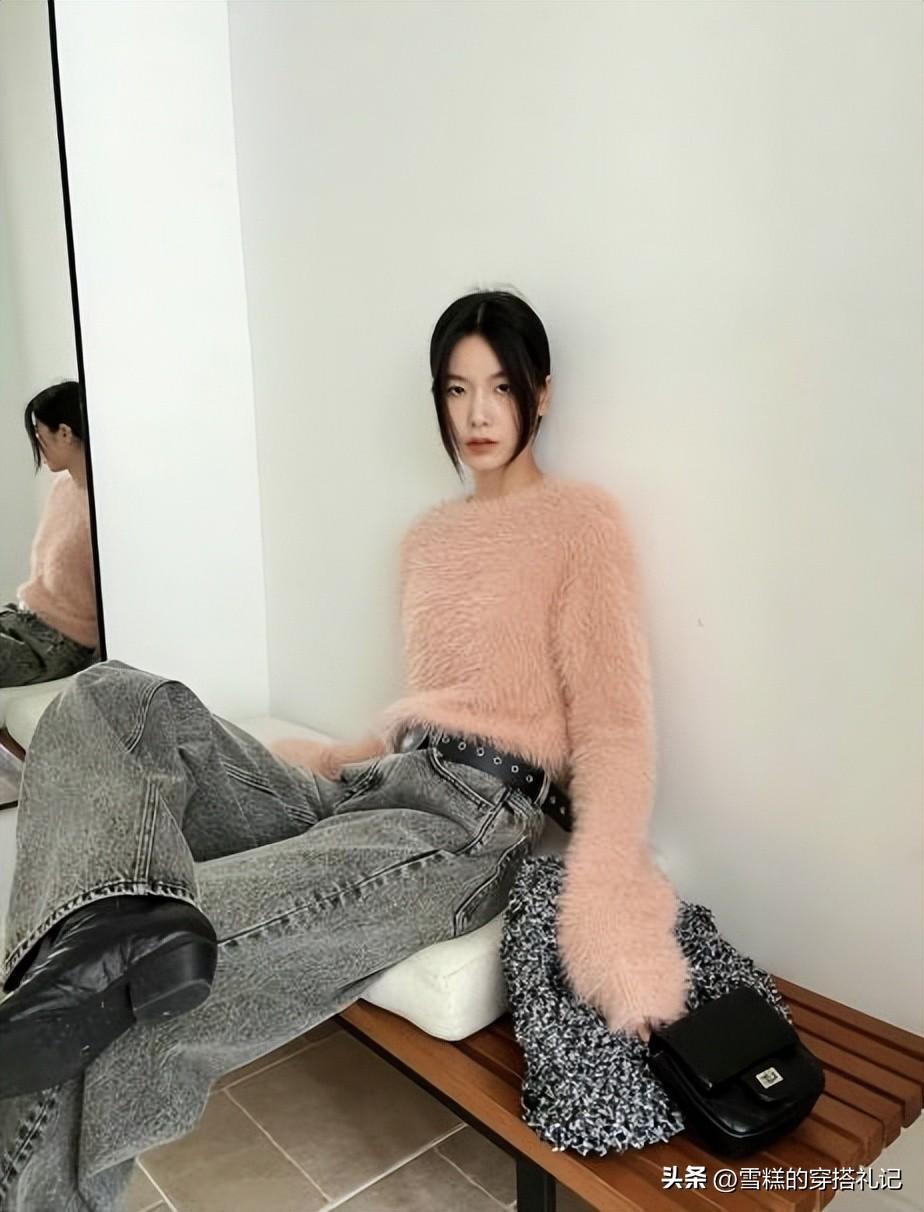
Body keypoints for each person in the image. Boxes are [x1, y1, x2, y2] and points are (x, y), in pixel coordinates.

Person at [0, 290, 690, 1210]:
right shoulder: (430, 539)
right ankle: (73, 945)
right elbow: (433, 702)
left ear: (542, 393)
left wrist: (608, 887)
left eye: (500, 387)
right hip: (379, 787)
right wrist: (337, 758)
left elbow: (613, 725)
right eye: (456, 390)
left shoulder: (580, 524)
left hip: (469, 825)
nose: (478, 414)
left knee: (147, 963)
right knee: (108, 699)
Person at [0, 381, 99, 687]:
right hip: (23, 619)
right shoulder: (62, 488)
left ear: (65, 433)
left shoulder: (104, 504)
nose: (37, 446)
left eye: (39, 434)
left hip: (58, 645)